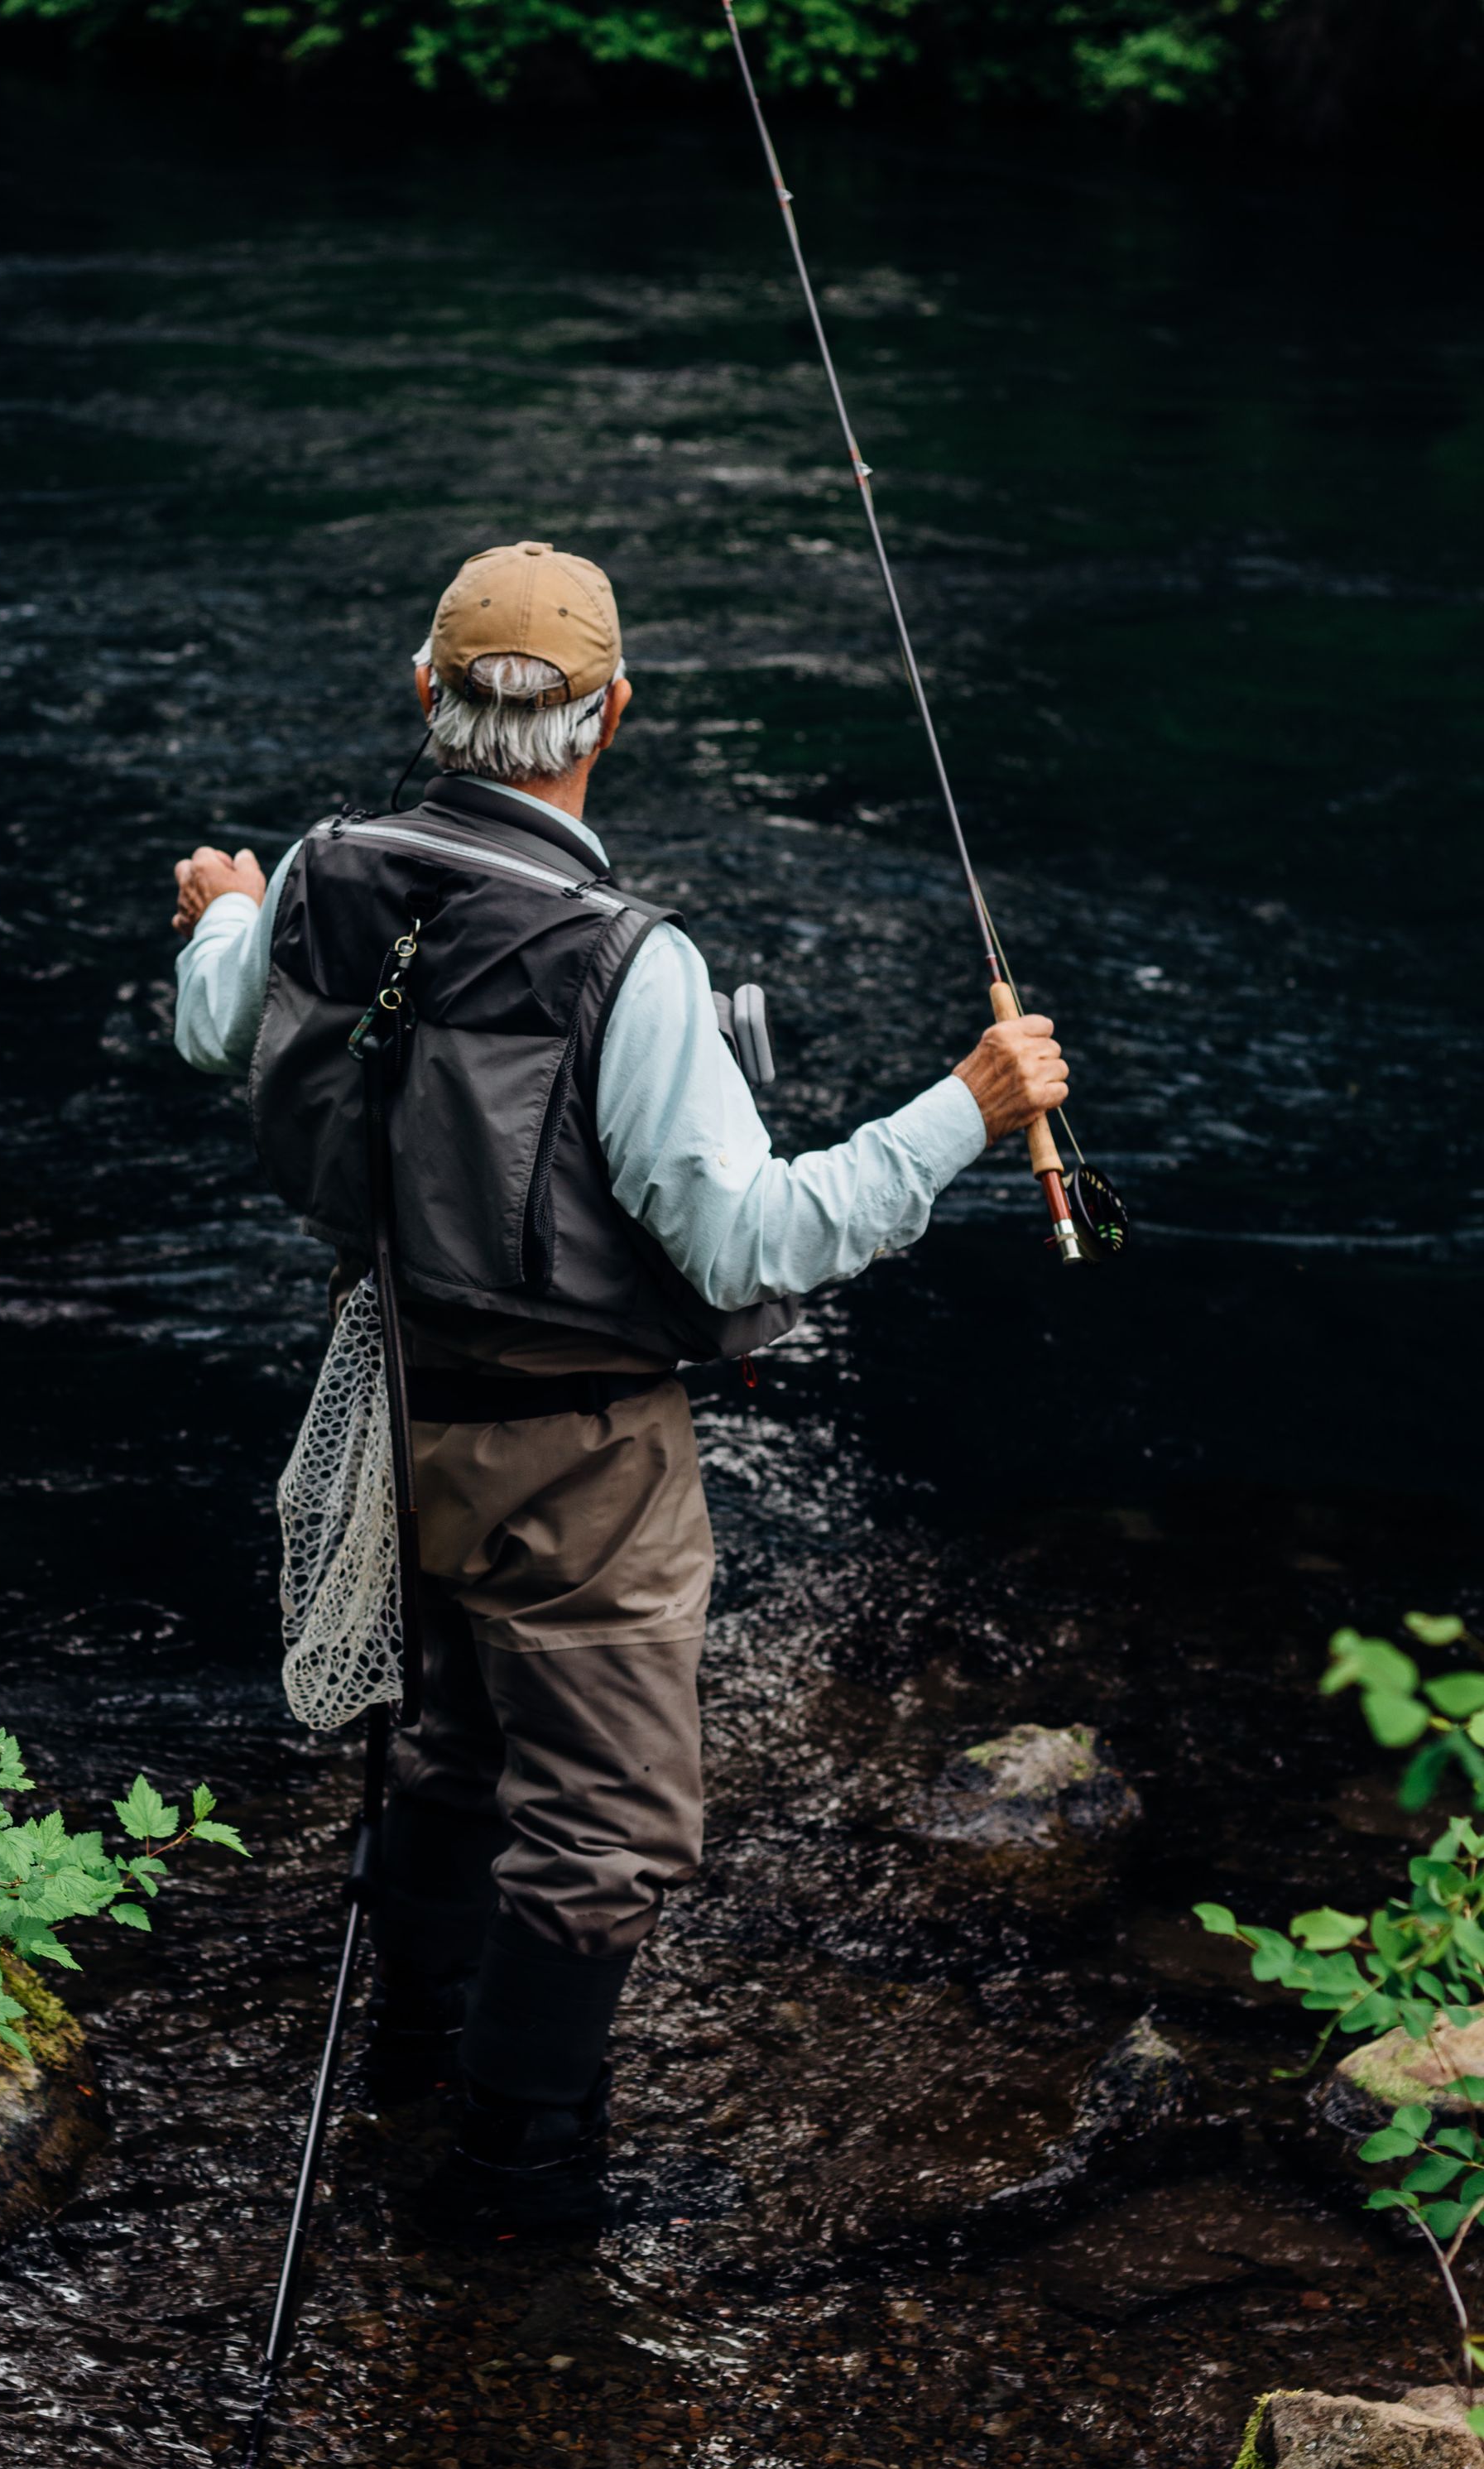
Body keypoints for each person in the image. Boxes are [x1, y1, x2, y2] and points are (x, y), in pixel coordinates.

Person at [170, 540, 1068, 2236]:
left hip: (397, 1407)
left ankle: (417, 2075)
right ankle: (518, 2188)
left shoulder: (318, 874)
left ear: (427, 698)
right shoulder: (624, 964)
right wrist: (969, 1099)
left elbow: (222, 1023)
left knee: (440, 1757)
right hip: (581, 1464)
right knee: (603, 1831)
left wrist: (224, 907)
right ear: (615, 713)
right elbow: (748, 1247)